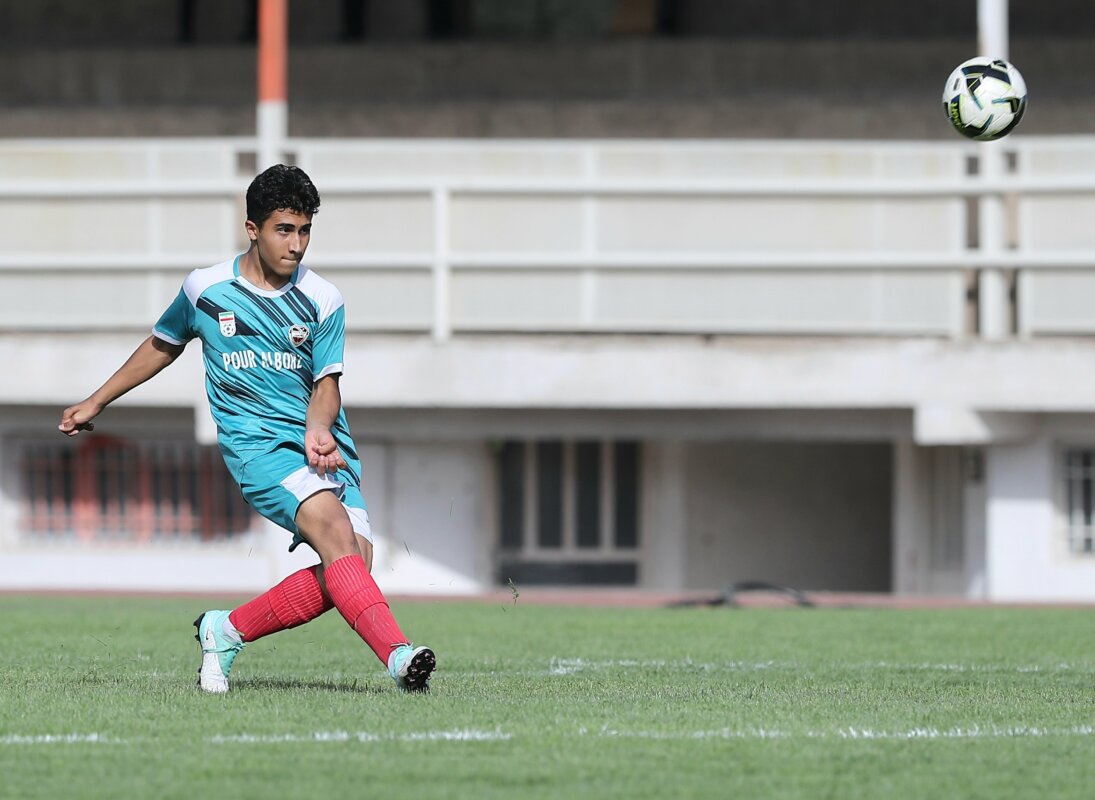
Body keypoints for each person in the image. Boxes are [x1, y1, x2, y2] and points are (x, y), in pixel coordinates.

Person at [59, 164, 436, 694]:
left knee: (351, 567)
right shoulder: (206, 289)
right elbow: (164, 344)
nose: (296, 244)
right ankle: (398, 656)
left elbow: (328, 383)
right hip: (257, 450)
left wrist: (318, 427)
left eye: (305, 231)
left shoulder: (323, 298)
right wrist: (96, 400)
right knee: (336, 535)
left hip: (323, 446)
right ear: (253, 229)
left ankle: (225, 630)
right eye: (285, 230)